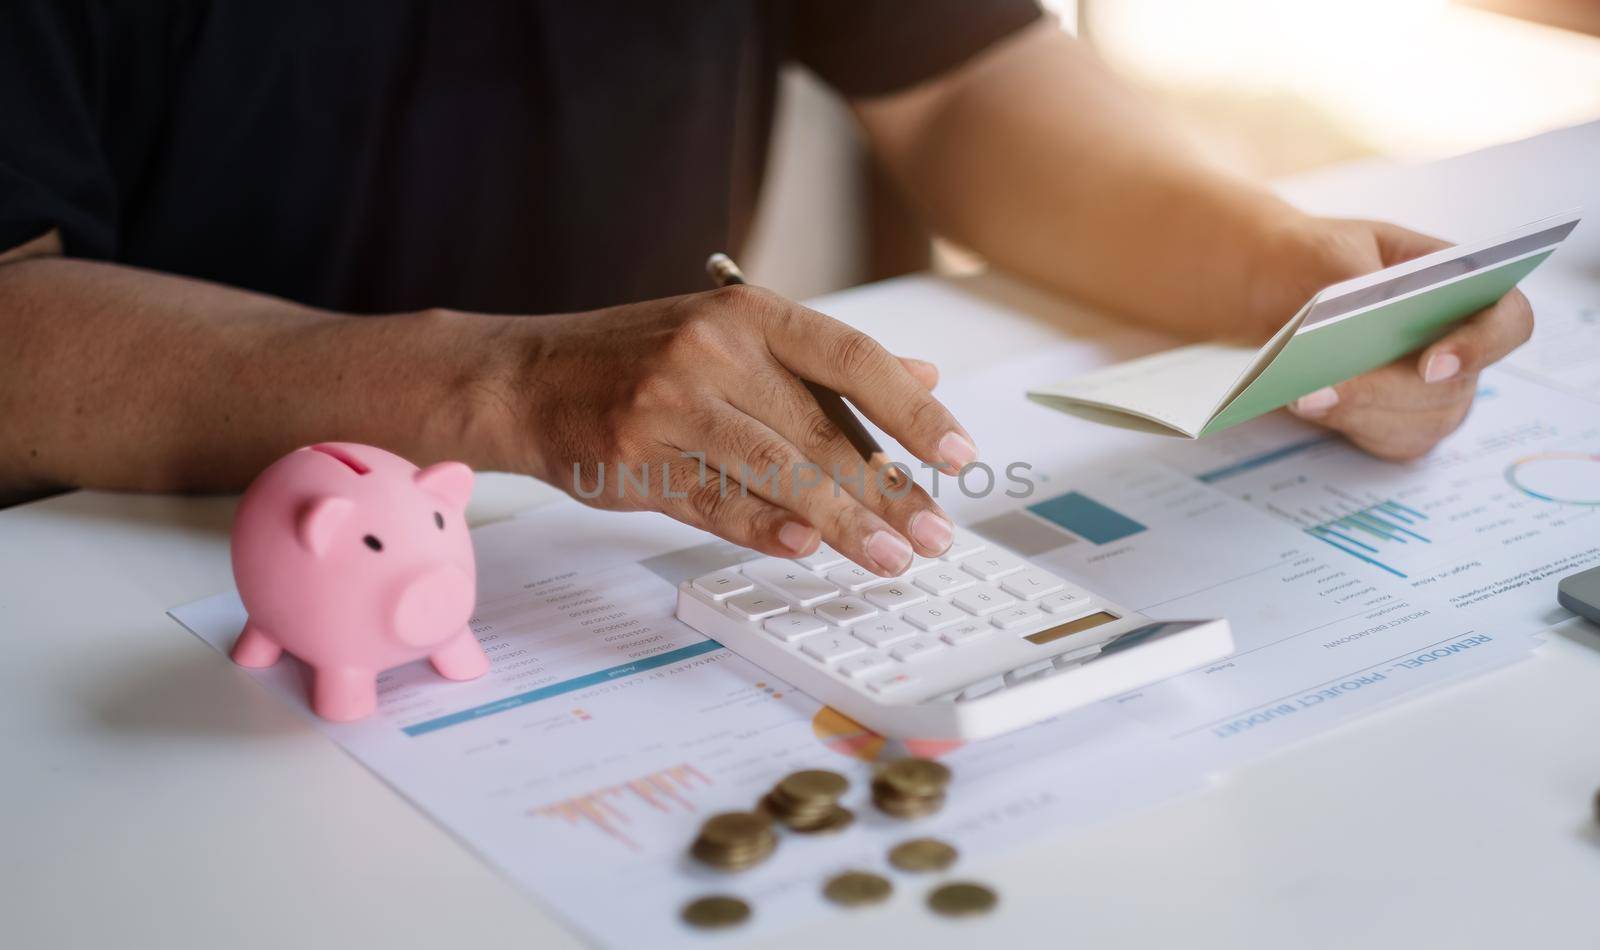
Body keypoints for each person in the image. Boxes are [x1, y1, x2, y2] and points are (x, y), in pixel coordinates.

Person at [0, 1, 1531, 578]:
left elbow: (961, 82)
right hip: (151, 571)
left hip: (638, 558)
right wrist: (508, 389)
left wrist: (1274, 268)